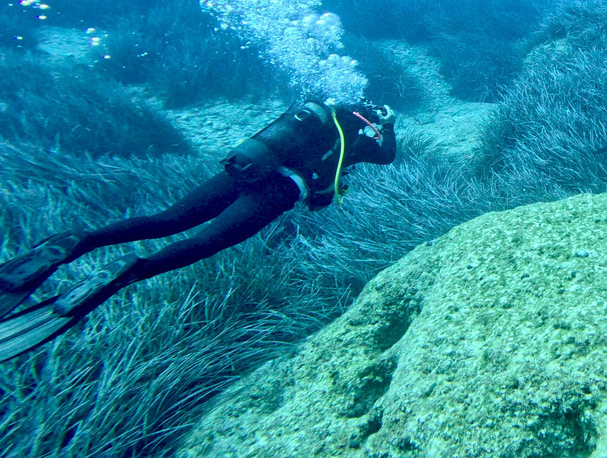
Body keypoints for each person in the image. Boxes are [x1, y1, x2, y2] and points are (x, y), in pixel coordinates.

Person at [0, 98, 396, 361]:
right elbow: (387, 156)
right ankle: (127, 273)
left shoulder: (315, 116)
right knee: (203, 243)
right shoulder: (358, 139)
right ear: (368, 119)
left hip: (245, 169)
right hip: (277, 190)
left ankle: (76, 242)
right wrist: (389, 124)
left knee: (167, 220)